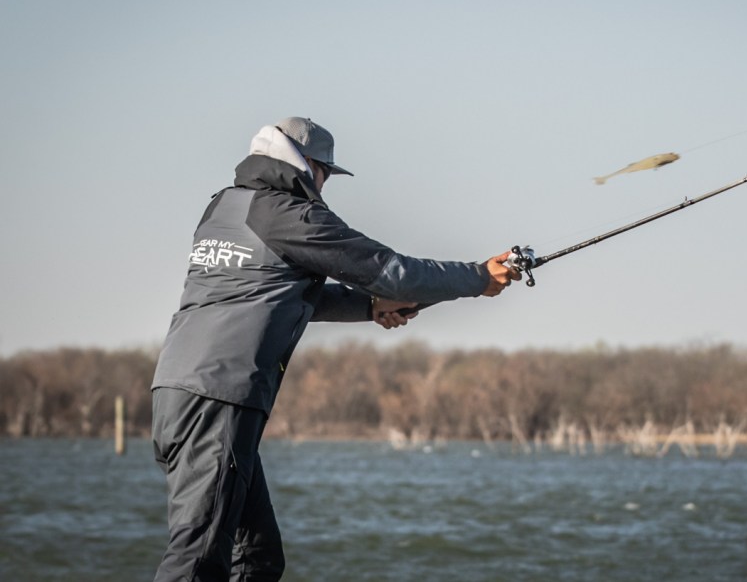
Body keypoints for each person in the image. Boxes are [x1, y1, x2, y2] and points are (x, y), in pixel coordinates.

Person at [150, 117, 520, 581]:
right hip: (219, 398)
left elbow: (279, 292)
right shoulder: (289, 214)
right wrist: (478, 277)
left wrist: (370, 307)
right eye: (326, 173)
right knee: (198, 559)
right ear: (308, 165)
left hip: (176, 392)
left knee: (258, 556)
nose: (325, 185)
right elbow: (393, 272)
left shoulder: (223, 207)